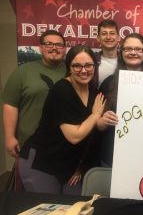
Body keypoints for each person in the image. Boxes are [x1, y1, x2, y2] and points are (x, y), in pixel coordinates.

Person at [18, 45, 106, 195]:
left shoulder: (95, 93)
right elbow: (74, 136)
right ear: (69, 67)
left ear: (94, 66)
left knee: (76, 207)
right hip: (42, 161)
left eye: (88, 65)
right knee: (50, 208)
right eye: (77, 65)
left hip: (69, 165)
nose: (83, 70)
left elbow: (92, 137)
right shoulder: (61, 91)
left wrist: (80, 167)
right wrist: (95, 115)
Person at [3, 30, 66, 158]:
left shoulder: (73, 71)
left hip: (64, 143)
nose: (54, 48)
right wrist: (9, 137)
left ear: (64, 49)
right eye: (49, 44)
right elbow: (10, 105)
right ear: (41, 47)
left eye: (59, 45)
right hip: (30, 143)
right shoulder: (23, 71)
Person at [97, 33, 143, 167]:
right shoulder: (108, 83)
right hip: (112, 156)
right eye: (127, 49)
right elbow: (97, 124)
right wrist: (104, 121)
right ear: (121, 52)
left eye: (138, 49)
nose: (133, 52)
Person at [97, 19, 120, 87]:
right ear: (98, 38)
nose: (108, 37)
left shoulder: (126, 61)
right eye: (104, 34)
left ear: (118, 37)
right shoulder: (92, 61)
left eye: (112, 33)